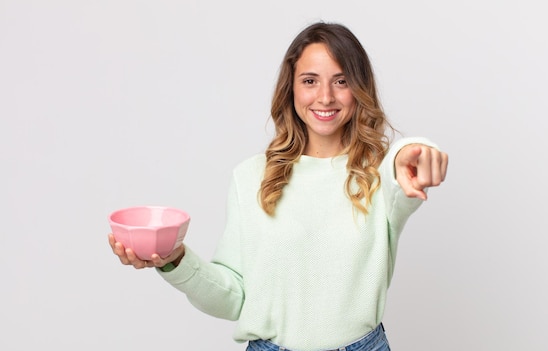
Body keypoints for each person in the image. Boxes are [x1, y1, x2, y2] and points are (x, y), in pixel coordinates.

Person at [109, 21, 448, 351]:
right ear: (292, 88)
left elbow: (403, 162)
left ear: (359, 89)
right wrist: (175, 260)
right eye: (310, 80)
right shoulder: (251, 177)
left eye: (341, 81)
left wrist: (412, 150)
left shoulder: (380, 172)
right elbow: (234, 300)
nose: (325, 96)